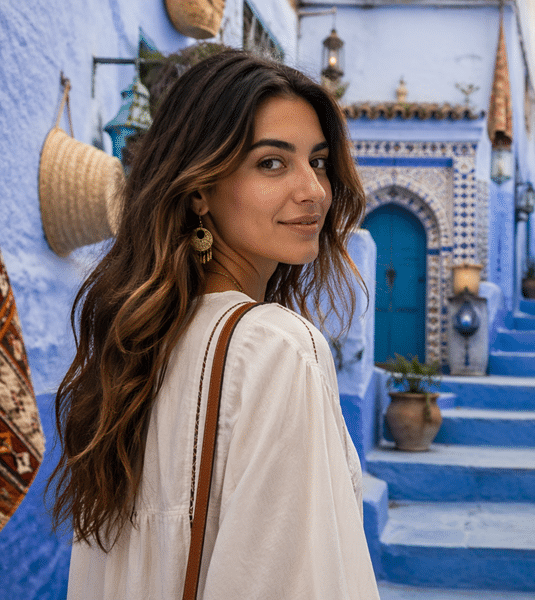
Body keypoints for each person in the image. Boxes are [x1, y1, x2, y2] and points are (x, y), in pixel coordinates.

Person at [48, 49, 380, 599]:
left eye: (317, 161)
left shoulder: (136, 349)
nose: (314, 190)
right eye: (272, 163)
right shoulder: (276, 347)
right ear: (199, 188)